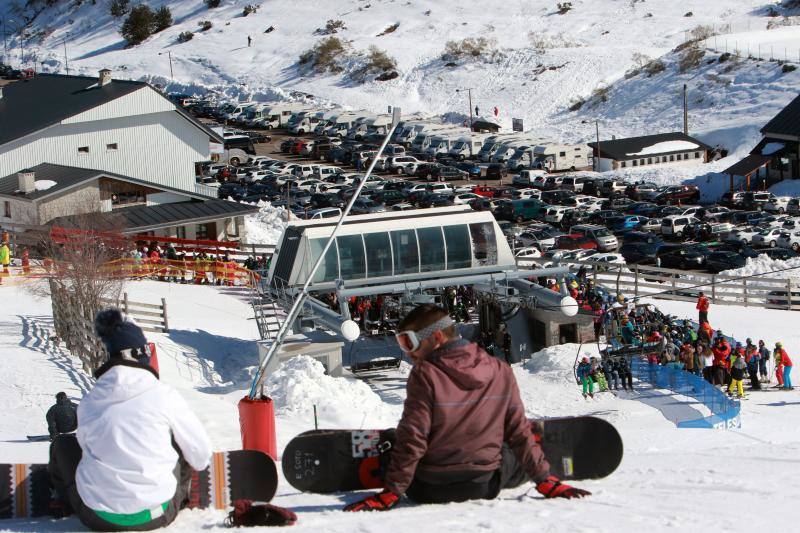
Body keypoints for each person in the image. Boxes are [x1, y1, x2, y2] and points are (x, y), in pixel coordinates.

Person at [343, 304, 589, 511]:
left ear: (436, 338)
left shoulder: (425, 373)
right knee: (508, 442)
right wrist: (545, 481)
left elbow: (414, 437)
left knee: (401, 438)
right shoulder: (500, 369)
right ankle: (534, 457)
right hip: (485, 484)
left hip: (428, 488)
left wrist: (392, 492)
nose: (408, 353)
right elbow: (517, 429)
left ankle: (388, 452)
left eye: (410, 342)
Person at [48, 309, 212, 531]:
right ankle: (182, 498)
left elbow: (84, 448)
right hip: (157, 514)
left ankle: (62, 498)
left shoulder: (89, 402)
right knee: (180, 438)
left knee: (62, 443)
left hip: (97, 516)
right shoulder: (164, 396)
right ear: (143, 354)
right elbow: (201, 457)